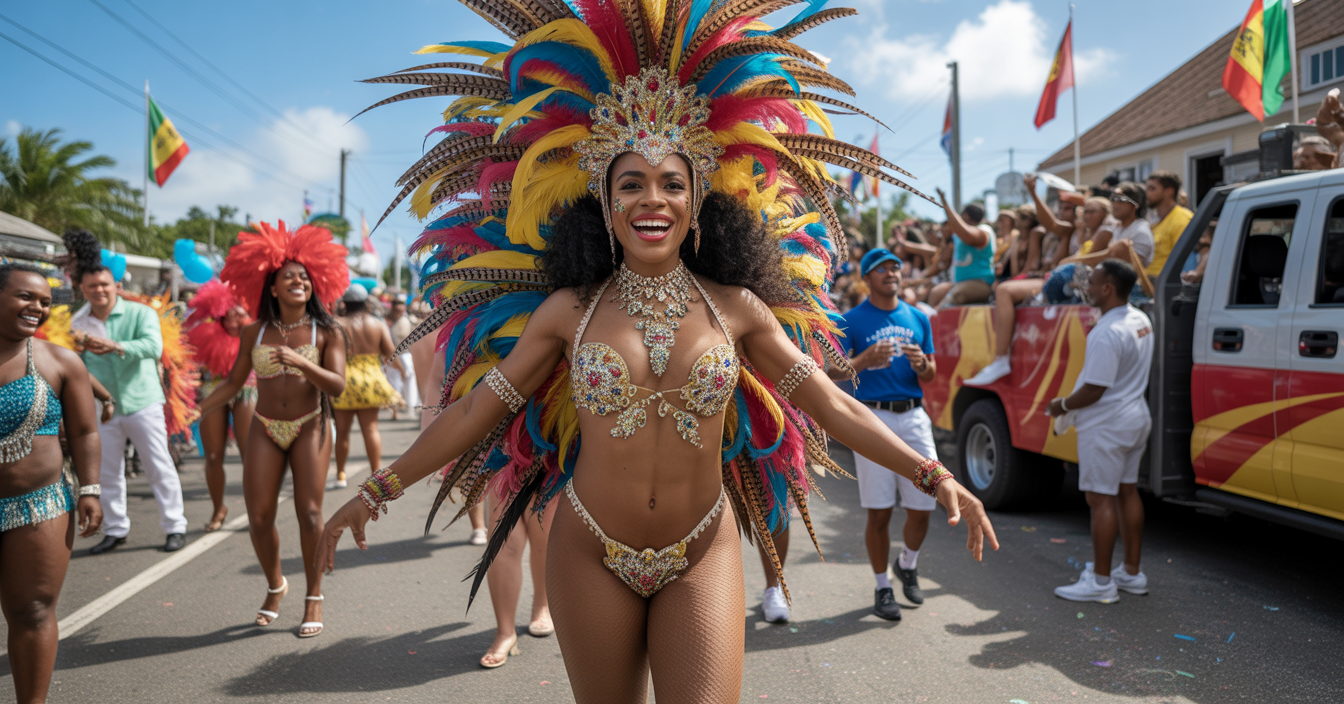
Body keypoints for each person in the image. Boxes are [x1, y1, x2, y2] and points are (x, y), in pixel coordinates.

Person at [318, 5, 999, 701]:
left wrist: (931, 473)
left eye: (673, 183)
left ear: (697, 203)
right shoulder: (568, 312)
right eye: (631, 184)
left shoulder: (736, 308)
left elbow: (827, 400)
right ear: (607, 207)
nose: (653, 199)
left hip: (701, 547)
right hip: (588, 548)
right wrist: (377, 490)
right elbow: (474, 413)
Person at [199, 221, 348, 638]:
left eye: (304, 277)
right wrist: (197, 409)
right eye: (289, 277)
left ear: (313, 286)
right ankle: (275, 584)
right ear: (273, 288)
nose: (298, 281)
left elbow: (336, 385)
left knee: (311, 512)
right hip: (265, 427)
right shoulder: (254, 331)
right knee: (260, 516)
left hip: (310, 426)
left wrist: (301, 362)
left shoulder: (328, 331)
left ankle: (313, 595)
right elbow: (232, 384)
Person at [0, 264, 102, 704]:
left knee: (33, 610)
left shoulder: (61, 361)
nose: (38, 308)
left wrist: (91, 489)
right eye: (26, 297)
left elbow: (84, 431)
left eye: (44, 302)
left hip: (37, 503)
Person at [829, 249, 939, 620]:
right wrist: (863, 359)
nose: (891, 272)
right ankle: (882, 586)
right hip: (872, 419)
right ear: (868, 278)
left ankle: (908, 563)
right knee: (879, 513)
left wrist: (924, 364)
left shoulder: (918, 316)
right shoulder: (851, 320)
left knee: (924, 505)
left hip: (914, 415)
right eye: (882, 269)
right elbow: (830, 372)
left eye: (895, 266)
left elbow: (931, 373)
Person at [1047, 259, 1153, 603]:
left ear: (1108, 288)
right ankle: (1131, 573)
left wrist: (1060, 405)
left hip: (1107, 425)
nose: (1086, 288)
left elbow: (1095, 388)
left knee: (1100, 500)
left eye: (1091, 283)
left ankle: (1102, 583)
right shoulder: (1140, 319)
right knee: (1126, 492)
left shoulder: (1106, 332)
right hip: (1135, 418)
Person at [71, 266, 188, 554]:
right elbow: (75, 366)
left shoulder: (141, 313)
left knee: (159, 466)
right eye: (92, 286)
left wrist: (114, 346)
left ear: (116, 284)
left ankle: (175, 527)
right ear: (81, 289)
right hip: (103, 408)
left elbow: (152, 346)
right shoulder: (77, 321)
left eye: (104, 284)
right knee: (107, 472)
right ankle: (115, 530)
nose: (99, 290)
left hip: (142, 401)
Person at [184, 280, 256, 532]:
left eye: (241, 310)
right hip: (214, 391)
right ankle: (218, 509)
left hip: (248, 389)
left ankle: (256, 510)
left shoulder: (257, 335)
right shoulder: (206, 336)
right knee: (213, 456)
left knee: (250, 454)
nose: (236, 315)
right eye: (231, 310)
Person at [331, 284, 402, 489]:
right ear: (365, 303)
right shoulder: (377, 324)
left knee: (342, 431)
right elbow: (390, 352)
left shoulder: (337, 324)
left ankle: (341, 475)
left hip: (343, 378)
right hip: (371, 379)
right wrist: (402, 372)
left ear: (345, 303)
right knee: (371, 430)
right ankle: (376, 475)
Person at [928, 191, 995, 307]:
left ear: (965, 216)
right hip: (958, 283)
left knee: (956, 295)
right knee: (936, 292)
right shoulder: (957, 236)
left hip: (981, 283)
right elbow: (943, 260)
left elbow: (967, 235)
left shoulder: (984, 231)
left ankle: (936, 318)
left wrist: (946, 205)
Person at [1143, 171, 1193, 279]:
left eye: (1152, 189)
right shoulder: (1157, 223)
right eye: (1146, 189)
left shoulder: (1182, 219)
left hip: (1165, 289)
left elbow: (1185, 260)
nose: (1147, 193)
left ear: (1169, 191)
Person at [383, 297, 418, 420]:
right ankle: (395, 410)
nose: (399, 307)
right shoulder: (387, 321)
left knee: (409, 380)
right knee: (394, 382)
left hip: (405, 354)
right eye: (397, 305)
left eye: (401, 304)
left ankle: (410, 408)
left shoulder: (408, 320)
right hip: (392, 355)